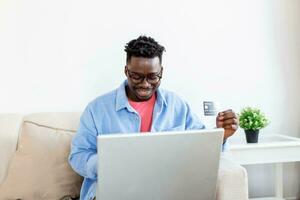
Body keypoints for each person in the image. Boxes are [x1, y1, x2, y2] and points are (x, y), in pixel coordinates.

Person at [69, 36, 239, 200]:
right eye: (136, 76)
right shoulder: (97, 109)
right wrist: (108, 164)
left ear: (161, 72)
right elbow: (78, 156)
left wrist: (221, 136)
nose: (145, 84)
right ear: (126, 71)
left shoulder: (177, 105)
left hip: (166, 189)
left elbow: (202, 149)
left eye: (152, 76)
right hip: (116, 191)